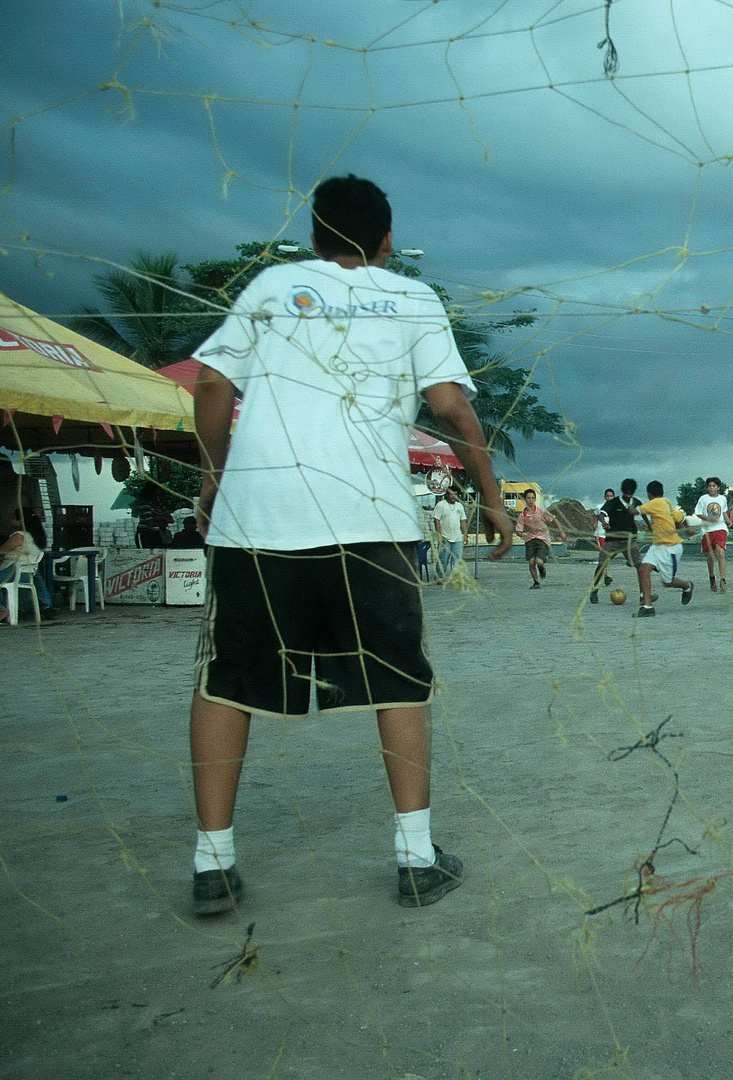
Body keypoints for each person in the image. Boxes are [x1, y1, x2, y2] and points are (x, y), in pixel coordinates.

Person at [185, 174, 515, 915]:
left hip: (258, 519)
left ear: (314, 236)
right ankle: (414, 857)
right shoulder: (411, 298)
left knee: (225, 681)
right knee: (398, 680)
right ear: (387, 242)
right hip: (370, 524)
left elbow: (211, 385)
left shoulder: (272, 283)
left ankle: (212, 863)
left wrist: (214, 477)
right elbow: (453, 409)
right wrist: (492, 500)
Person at [0, 508, 53, 622]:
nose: (11, 520)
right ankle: (45, 605)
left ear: (20, 520)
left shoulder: (19, 536)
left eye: (13, 518)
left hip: (12, 573)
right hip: (28, 574)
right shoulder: (36, 537)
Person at [633, 480, 694, 616]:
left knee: (668, 582)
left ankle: (687, 586)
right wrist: (687, 529)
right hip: (657, 546)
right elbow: (682, 517)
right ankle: (647, 607)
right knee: (643, 569)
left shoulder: (656, 503)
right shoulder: (667, 503)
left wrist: (626, 504)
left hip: (671, 548)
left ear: (649, 494)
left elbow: (634, 511)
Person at [589, 479, 642, 603]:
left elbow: (644, 513)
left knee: (640, 567)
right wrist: (604, 522)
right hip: (613, 540)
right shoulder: (613, 502)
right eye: (626, 493)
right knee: (602, 563)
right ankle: (595, 589)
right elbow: (602, 514)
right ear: (623, 491)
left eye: (631, 493)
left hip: (630, 540)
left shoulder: (636, 502)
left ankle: (643, 595)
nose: (629, 495)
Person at [0, 451, 44, 546]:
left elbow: (37, 509)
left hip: (21, 536)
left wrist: (33, 532)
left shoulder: (27, 482)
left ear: (5, 467)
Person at [513, 488, 566, 590]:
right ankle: (536, 582)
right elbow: (518, 530)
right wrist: (522, 534)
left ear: (535, 499)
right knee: (531, 561)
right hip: (530, 539)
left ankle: (541, 568)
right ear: (525, 500)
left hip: (542, 538)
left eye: (533, 498)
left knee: (539, 561)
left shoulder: (541, 512)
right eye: (528, 498)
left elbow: (554, 519)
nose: (530, 500)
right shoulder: (522, 516)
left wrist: (561, 532)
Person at [693, 477, 730, 592]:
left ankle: (723, 580)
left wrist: (728, 520)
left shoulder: (723, 499)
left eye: (714, 486)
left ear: (718, 487)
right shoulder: (703, 499)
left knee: (720, 552)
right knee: (710, 555)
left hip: (720, 528)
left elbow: (723, 512)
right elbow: (698, 513)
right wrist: (708, 518)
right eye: (710, 486)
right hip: (708, 529)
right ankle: (711, 577)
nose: (711, 488)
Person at [428, 488, 466, 579]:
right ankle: (439, 576)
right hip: (445, 537)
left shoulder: (460, 506)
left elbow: (463, 521)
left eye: (455, 494)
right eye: (452, 494)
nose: (454, 497)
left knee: (456, 559)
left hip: (457, 538)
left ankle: (456, 578)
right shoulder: (441, 505)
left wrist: (465, 534)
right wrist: (439, 535)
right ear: (447, 495)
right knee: (443, 559)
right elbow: (436, 520)